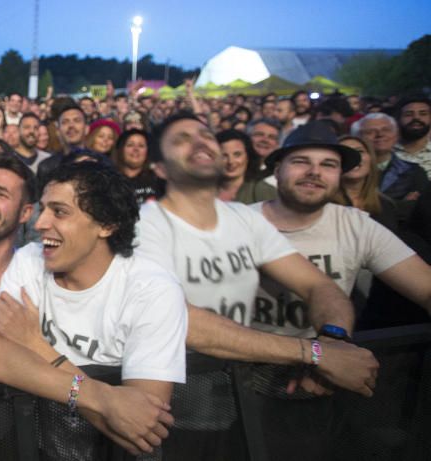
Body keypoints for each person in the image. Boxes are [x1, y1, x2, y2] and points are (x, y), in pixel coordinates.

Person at [138, 113, 379, 393]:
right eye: (182, 139)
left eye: (206, 135)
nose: (199, 143)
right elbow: (180, 321)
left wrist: (334, 340)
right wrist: (314, 353)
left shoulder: (243, 218)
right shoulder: (144, 225)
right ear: (159, 168)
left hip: (241, 396)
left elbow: (318, 284)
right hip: (174, 400)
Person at [0, 162, 186, 456]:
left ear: (106, 224)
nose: (39, 223)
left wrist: (38, 347)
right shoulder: (30, 260)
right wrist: (100, 396)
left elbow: (141, 425)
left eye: (59, 212)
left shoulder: (151, 289)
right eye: (44, 208)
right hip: (40, 448)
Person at [250, 121, 431, 338]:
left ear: (338, 176)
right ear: (278, 172)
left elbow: (426, 287)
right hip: (245, 361)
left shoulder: (356, 226)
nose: (314, 172)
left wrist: (330, 352)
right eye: (300, 161)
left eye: (328, 165)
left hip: (329, 358)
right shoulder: (239, 223)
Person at [334, 135, 398, 229]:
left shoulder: (386, 205)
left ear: (371, 159)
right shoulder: (321, 204)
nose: (354, 157)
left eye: (359, 151)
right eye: (345, 152)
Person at [215, 129, 277, 204]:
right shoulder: (203, 188)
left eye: (237, 155)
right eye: (224, 155)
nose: (230, 161)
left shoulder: (263, 190)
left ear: (248, 157)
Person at [112, 129, 160, 204]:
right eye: (130, 145)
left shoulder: (158, 180)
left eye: (141, 146)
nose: (136, 149)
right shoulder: (109, 180)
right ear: (121, 150)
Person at [393, 95, 431, 177]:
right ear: (398, 119)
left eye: (423, 114)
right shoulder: (387, 152)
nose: (416, 118)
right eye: (408, 114)